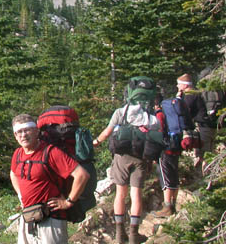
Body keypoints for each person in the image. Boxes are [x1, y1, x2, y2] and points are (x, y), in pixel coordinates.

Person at [10, 113, 90, 244]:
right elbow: (13, 174)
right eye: (19, 132)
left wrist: (68, 202)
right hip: (28, 217)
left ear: (36, 131)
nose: (23, 135)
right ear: (15, 135)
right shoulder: (17, 154)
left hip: (52, 219)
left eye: (27, 130)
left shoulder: (51, 152)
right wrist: (21, 195)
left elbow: (82, 175)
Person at [93, 94, 160, 244]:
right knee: (136, 194)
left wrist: (96, 142)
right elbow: (156, 138)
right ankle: (134, 236)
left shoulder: (120, 112)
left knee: (120, 194)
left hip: (121, 157)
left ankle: (119, 233)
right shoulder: (150, 116)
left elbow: (107, 132)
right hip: (140, 159)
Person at [152, 94, 189, 217]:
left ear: (155, 104)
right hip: (175, 148)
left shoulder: (160, 114)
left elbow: (159, 132)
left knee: (166, 178)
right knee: (174, 175)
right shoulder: (171, 114)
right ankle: (173, 205)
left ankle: (167, 206)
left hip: (165, 150)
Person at [176, 73, 212, 176]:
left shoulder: (190, 96)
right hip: (207, 126)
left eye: (179, 84)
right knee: (203, 154)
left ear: (185, 85)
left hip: (202, 127)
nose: (177, 86)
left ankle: (207, 181)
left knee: (205, 155)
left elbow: (183, 112)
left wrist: (178, 99)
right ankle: (204, 179)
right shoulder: (197, 93)